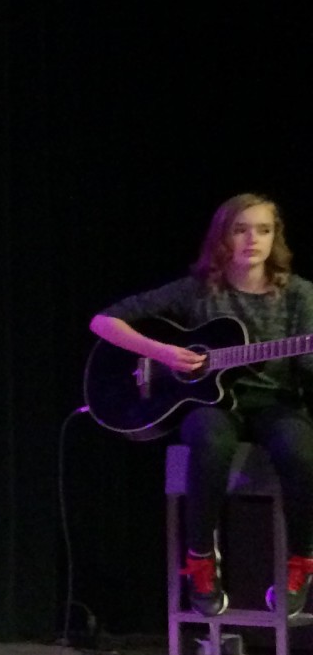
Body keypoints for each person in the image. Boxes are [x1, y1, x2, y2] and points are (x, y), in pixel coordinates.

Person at [90, 193, 313, 616]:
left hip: (275, 402)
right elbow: (103, 322)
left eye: (264, 230)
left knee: (298, 451)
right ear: (222, 237)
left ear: (275, 238)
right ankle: (200, 560)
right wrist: (163, 353)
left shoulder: (299, 294)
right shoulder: (198, 290)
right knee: (208, 438)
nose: (253, 240)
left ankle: (301, 563)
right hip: (215, 404)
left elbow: (306, 367)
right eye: (241, 230)